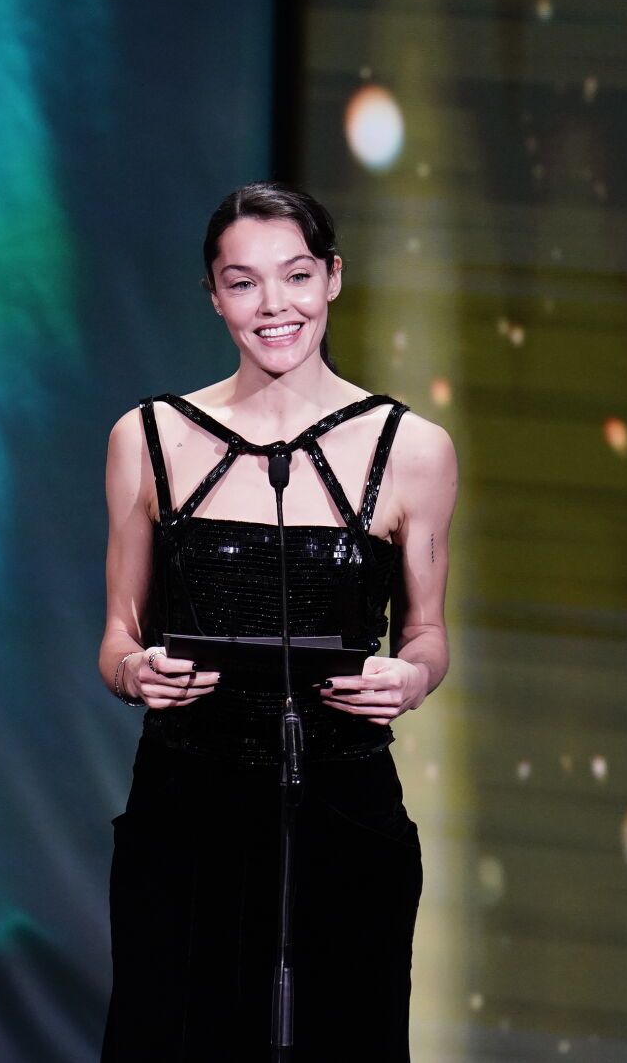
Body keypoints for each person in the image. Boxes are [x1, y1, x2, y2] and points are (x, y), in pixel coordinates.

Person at [96, 183, 456, 1060]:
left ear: (333, 278)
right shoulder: (148, 437)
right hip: (186, 812)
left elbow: (427, 635)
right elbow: (116, 635)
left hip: (342, 810)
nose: (275, 306)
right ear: (214, 294)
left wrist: (408, 678)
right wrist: (136, 671)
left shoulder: (412, 449)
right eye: (244, 282)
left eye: (296, 276)